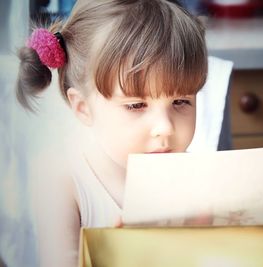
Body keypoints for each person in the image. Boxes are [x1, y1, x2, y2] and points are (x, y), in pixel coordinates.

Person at [16, 0, 208, 266]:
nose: (166, 127)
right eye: (136, 105)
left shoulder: (194, 174)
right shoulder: (62, 182)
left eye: (181, 101)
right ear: (84, 108)